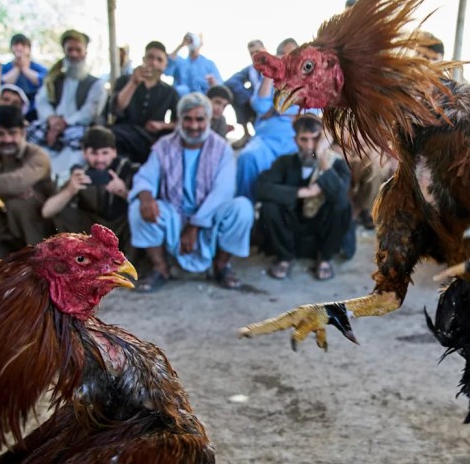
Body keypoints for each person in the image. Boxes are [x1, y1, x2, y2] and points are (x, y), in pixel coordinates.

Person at [128, 93, 253, 292]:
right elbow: (145, 177)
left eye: (199, 119)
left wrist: (194, 225)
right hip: (174, 216)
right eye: (188, 119)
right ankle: (160, 268)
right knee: (138, 208)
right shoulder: (164, 145)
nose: (194, 126)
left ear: (209, 119)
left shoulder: (222, 149)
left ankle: (221, 266)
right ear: (179, 119)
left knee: (242, 208)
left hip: (209, 216)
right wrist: (146, 196)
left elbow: (223, 192)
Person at [256, 115, 352, 281]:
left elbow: (339, 194)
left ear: (322, 140)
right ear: (295, 140)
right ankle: (284, 258)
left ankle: (325, 259)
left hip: (321, 230)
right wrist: (303, 192)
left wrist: (322, 157)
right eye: (304, 139)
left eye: (315, 139)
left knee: (342, 205)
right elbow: (261, 188)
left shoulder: (337, 163)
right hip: (291, 231)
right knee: (269, 207)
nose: (309, 146)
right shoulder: (285, 162)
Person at [29, 29, 107, 185]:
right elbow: (42, 101)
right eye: (70, 50)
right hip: (51, 127)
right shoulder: (54, 79)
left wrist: (64, 124)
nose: (74, 54)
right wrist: (52, 120)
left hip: (77, 128)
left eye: (78, 50)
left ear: (85, 52)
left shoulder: (96, 84)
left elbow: (89, 112)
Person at [0, 106, 55, 258]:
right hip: (3, 223)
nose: (7, 139)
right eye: (0, 134)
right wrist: (7, 193)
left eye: (12, 133)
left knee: (19, 205)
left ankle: (38, 257)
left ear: (23, 132)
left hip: (36, 224)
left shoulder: (37, 156)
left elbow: (17, 182)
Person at [42, 126, 134, 249]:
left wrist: (124, 192)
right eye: (94, 153)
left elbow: (148, 206)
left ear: (114, 152)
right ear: (84, 153)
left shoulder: (129, 170)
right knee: (64, 210)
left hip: (122, 228)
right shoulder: (81, 173)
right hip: (92, 229)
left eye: (105, 153)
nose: (100, 159)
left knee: (137, 213)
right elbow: (47, 212)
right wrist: (70, 190)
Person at [236, 38, 304, 202]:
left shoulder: (307, 81)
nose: (289, 59)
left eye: (294, 55)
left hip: (294, 141)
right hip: (266, 139)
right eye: (283, 55)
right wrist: (270, 72)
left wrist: (275, 110)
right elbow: (260, 106)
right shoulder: (269, 79)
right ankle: (246, 207)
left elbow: (310, 114)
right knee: (247, 157)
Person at [110, 41, 179, 164]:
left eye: (159, 60)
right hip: (121, 135)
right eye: (150, 57)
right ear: (143, 59)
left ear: (165, 65)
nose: (154, 63)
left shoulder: (169, 92)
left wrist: (162, 125)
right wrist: (133, 83)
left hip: (149, 140)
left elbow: (180, 122)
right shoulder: (125, 81)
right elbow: (117, 108)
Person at [224, 39, 266, 149]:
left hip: (273, 105)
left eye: (257, 51)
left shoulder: (275, 65)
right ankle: (246, 133)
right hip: (256, 103)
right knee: (233, 91)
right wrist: (249, 98)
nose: (255, 55)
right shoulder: (251, 70)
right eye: (252, 53)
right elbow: (230, 82)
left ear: (265, 50)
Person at [0, 33, 47, 115]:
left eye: (23, 45)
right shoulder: (5, 68)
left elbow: (45, 81)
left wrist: (25, 69)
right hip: (8, 109)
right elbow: (1, 82)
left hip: (34, 108)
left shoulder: (38, 68)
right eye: (16, 45)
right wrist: (17, 68)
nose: (19, 48)